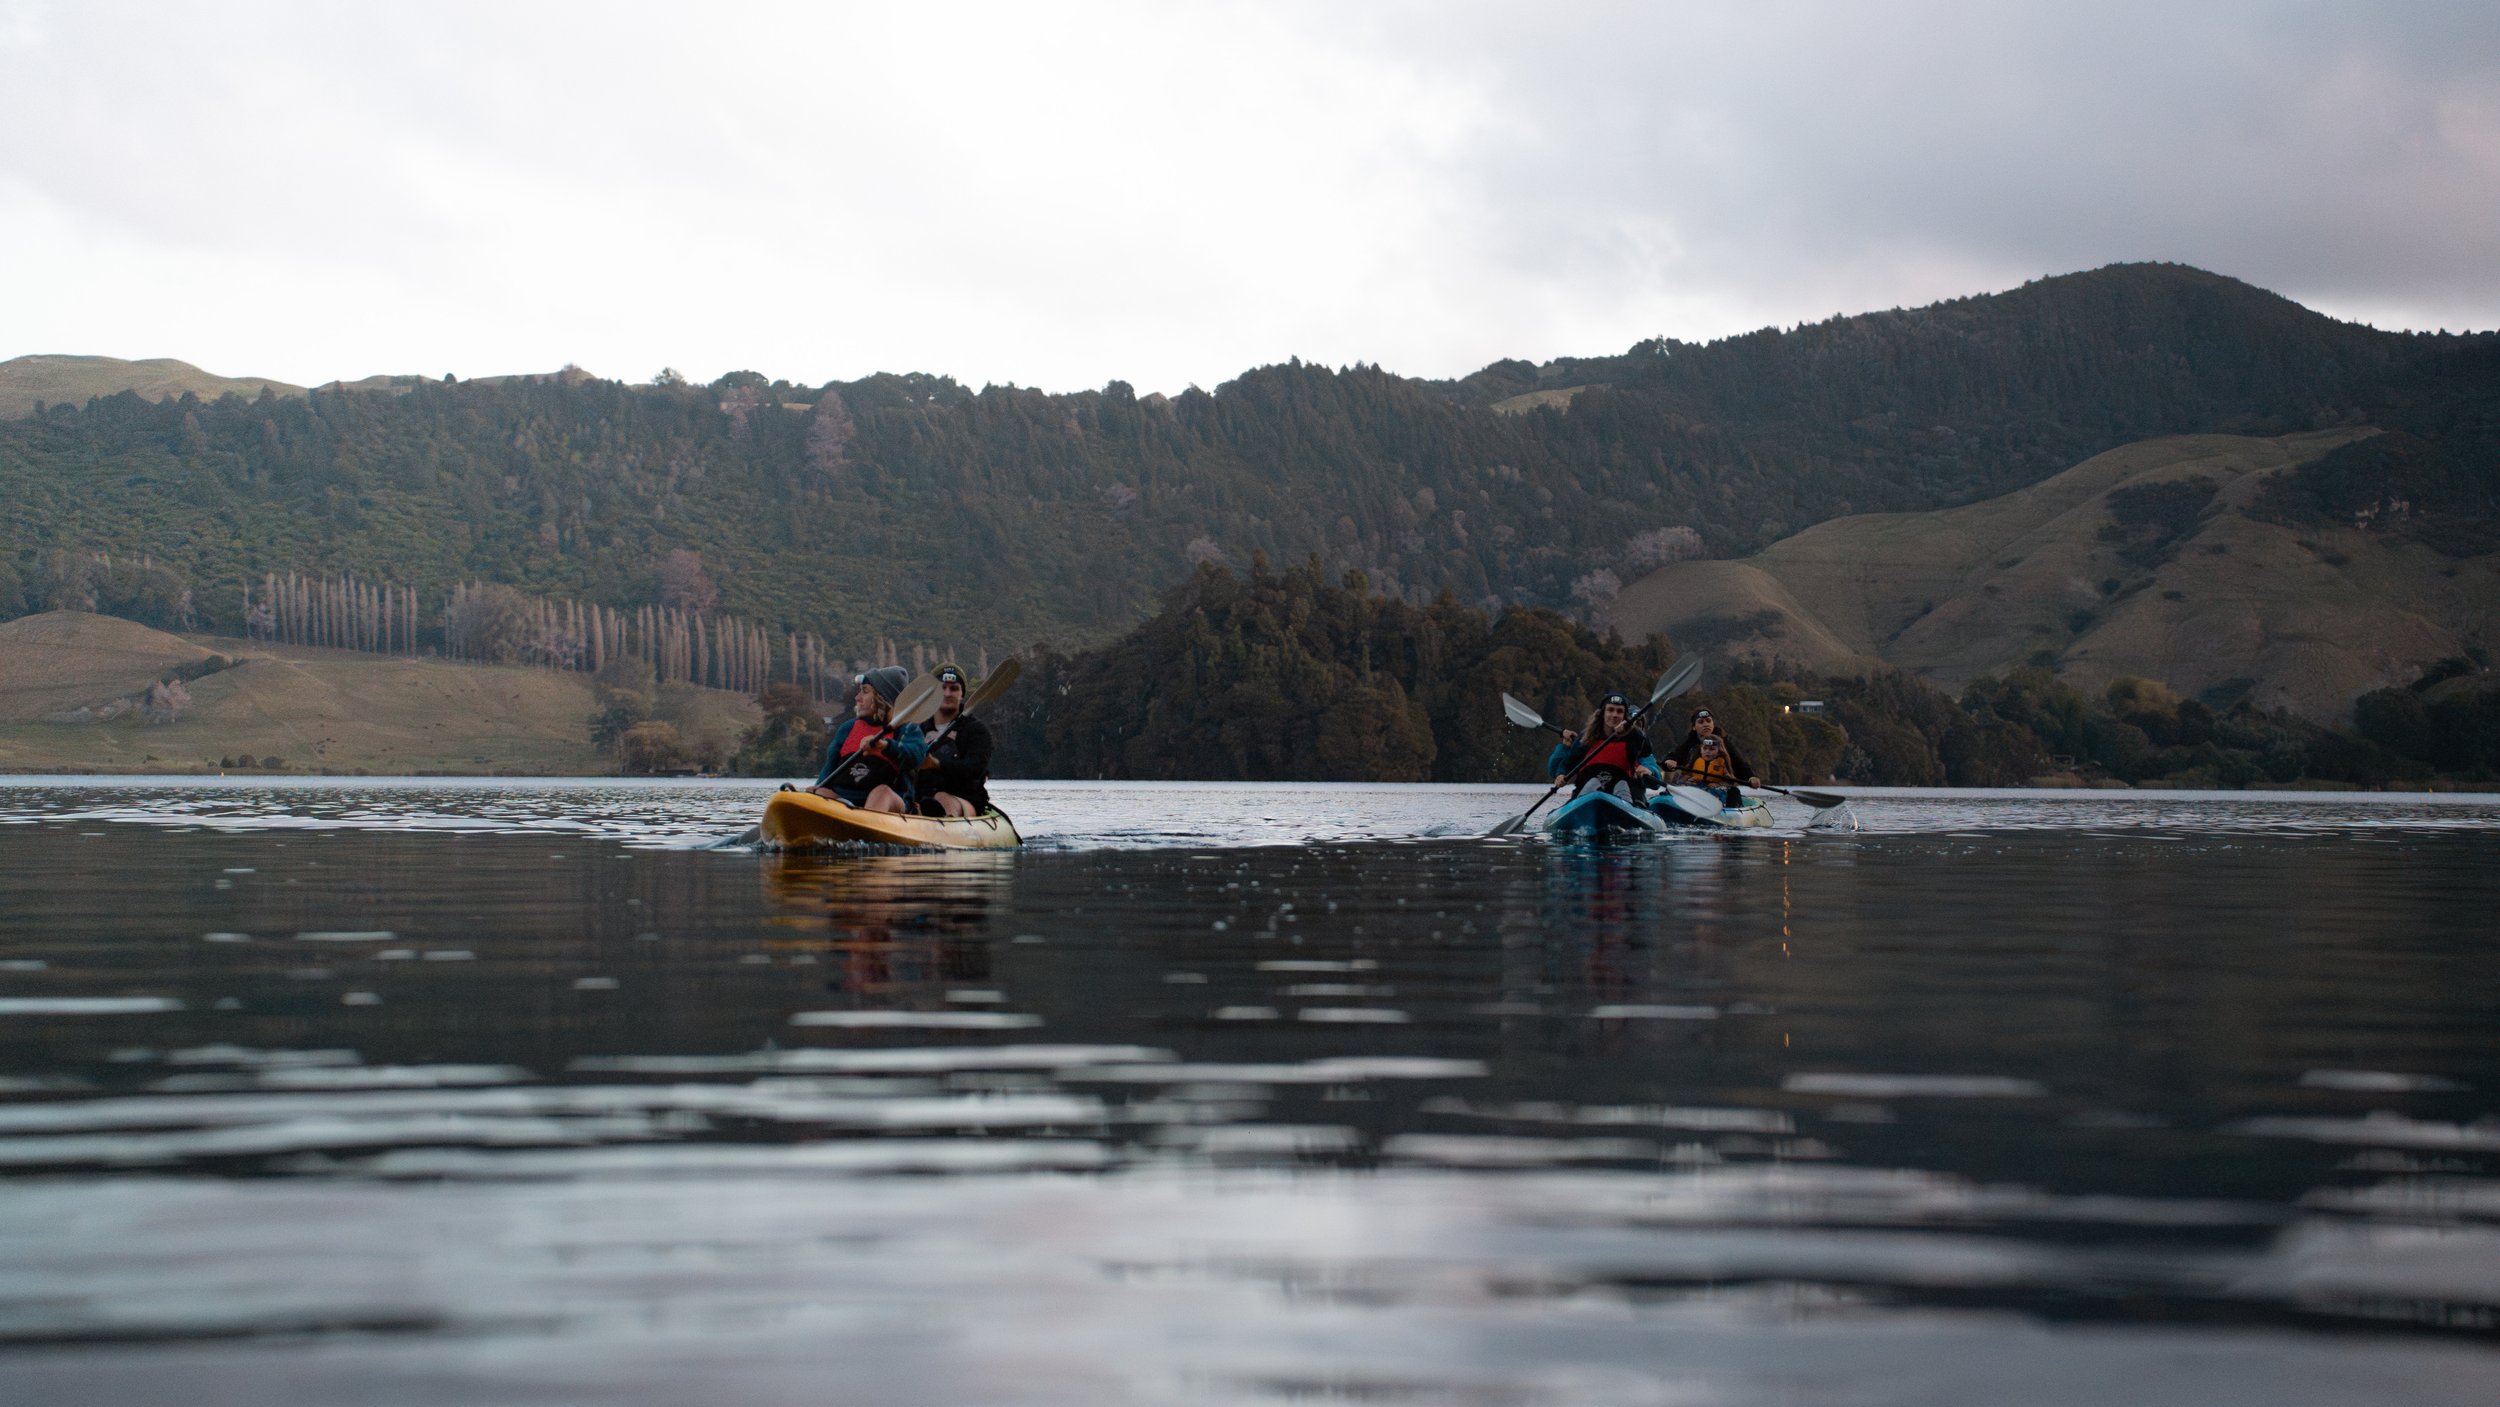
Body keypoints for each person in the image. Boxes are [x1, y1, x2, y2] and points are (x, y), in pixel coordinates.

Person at [808, 666, 926, 814]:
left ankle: (867, 829)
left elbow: (917, 756)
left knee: (881, 793)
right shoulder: (848, 728)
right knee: (818, 792)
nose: (857, 698)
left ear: (883, 698)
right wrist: (816, 791)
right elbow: (829, 770)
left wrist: (884, 746)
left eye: (865, 691)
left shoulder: (907, 729)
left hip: (892, 802)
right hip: (845, 800)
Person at [1547, 691, 1662, 800]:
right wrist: (1561, 768)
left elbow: (1647, 752)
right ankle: (1590, 795)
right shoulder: (1586, 738)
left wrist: (1649, 771)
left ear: (1624, 717)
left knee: (1621, 785)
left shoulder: (1636, 741)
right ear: (1602, 713)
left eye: (1619, 712)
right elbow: (1562, 766)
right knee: (1593, 782)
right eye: (1611, 710)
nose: (1615, 715)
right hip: (1588, 792)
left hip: (1627, 794)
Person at [915, 663, 994, 819]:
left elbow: (975, 769)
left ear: (962, 693)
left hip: (964, 799)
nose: (947, 693)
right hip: (922, 798)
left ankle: (944, 818)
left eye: (954, 688)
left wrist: (937, 764)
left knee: (941, 797)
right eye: (942, 688)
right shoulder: (918, 729)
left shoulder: (976, 731)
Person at [1661, 706, 1760, 808]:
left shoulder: (1724, 744)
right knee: (1672, 788)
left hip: (1718, 787)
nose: (1705, 724)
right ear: (1694, 727)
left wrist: (1751, 777)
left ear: (1713, 724)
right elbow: (1674, 756)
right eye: (1701, 722)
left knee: (1734, 792)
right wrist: (1669, 761)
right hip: (1696, 786)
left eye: (1708, 721)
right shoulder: (1690, 744)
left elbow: (1739, 764)